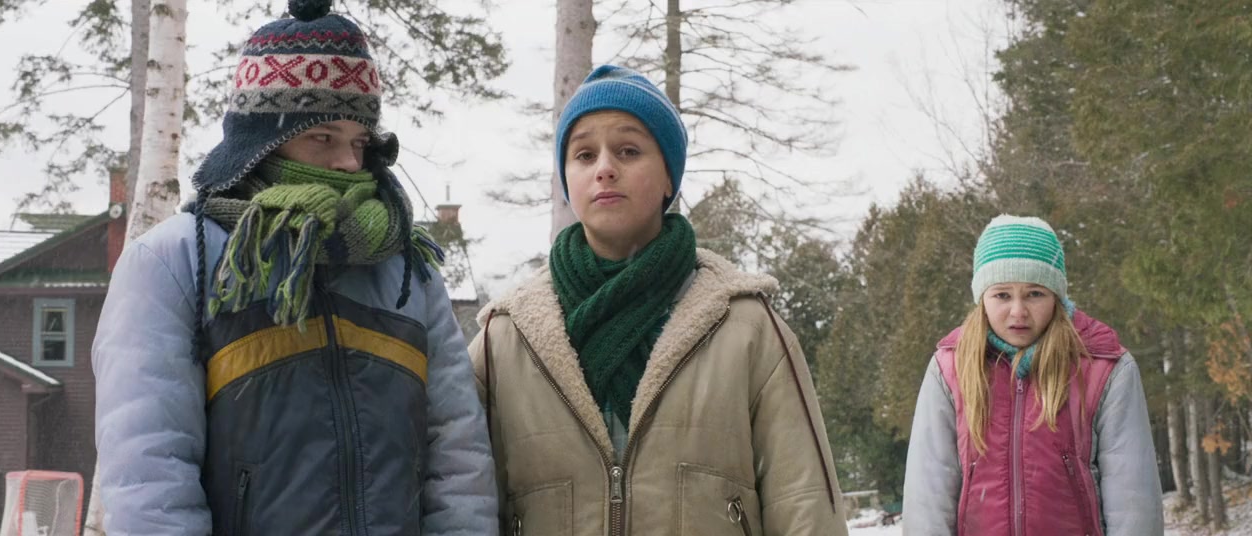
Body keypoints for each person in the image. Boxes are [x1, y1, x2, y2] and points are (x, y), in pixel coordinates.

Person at [91, 1, 496, 533]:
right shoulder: (175, 262)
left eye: (359, 141)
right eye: (322, 136)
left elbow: (458, 455)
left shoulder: (407, 271)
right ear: (263, 142)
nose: (348, 162)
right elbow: (150, 473)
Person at [468, 64, 848, 535]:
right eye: (584, 154)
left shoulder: (747, 328)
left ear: (669, 176)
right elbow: (459, 499)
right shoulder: (504, 341)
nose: (605, 168)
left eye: (628, 150)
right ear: (566, 179)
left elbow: (805, 502)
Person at [903, 215, 1164, 535]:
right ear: (982, 297)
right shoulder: (949, 370)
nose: (1018, 311)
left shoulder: (1104, 368)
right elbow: (928, 496)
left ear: (1056, 296)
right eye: (1002, 295)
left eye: (1035, 294)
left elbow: (1133, 499)